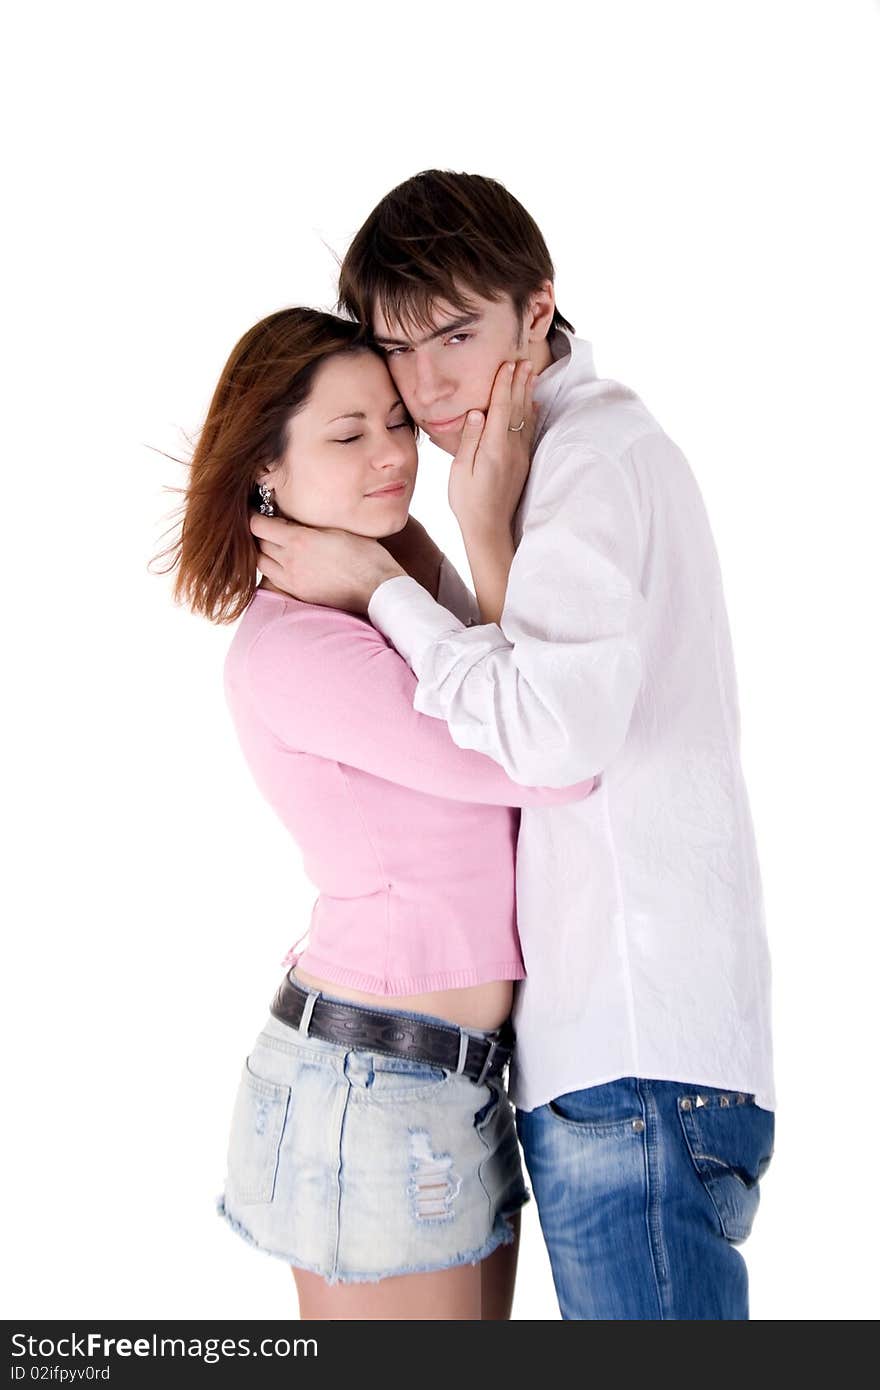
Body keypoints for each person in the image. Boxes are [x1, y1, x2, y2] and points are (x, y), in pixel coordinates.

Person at [249, 171, 777, 1321]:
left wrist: (395, 582)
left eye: (456, 332)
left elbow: (546, 742)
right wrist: (462, 547)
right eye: (398, 354)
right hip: (542, 1063)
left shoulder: (582, 467)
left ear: (537, 310)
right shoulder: (540, 473)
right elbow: (529, 723)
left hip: (627, 1055)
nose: (426, 393)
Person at [160, 306, 595, 1320]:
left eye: (396, 424)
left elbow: (508, 676)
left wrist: (407, 560)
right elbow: (551, 757)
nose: (391, 455)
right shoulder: (300, 649)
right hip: (375, 1086)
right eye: (348, 435)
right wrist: (392, 573)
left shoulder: (382, 600)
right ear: (265, 470)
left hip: (447, 1078)